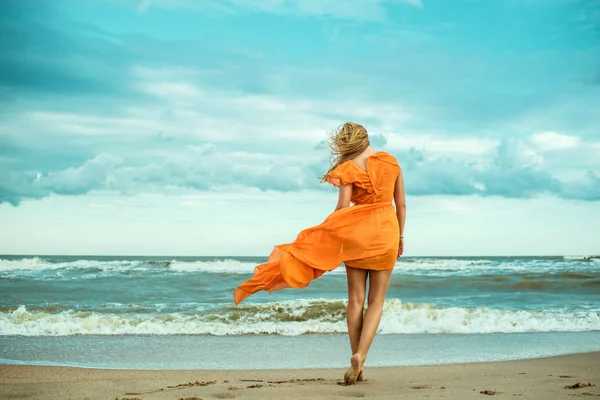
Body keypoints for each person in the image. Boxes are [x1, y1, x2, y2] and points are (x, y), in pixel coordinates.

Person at [234, 122, 406, 385]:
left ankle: (355, 357)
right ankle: (361, 356)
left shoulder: (348, 168)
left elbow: (341, 208)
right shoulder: (392, 163)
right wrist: (401, 235)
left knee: (356, 301)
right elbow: (400, 203)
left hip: (357, 237)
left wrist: (325, 236)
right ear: (366, 138)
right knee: (377, 302)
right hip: (387, 234)